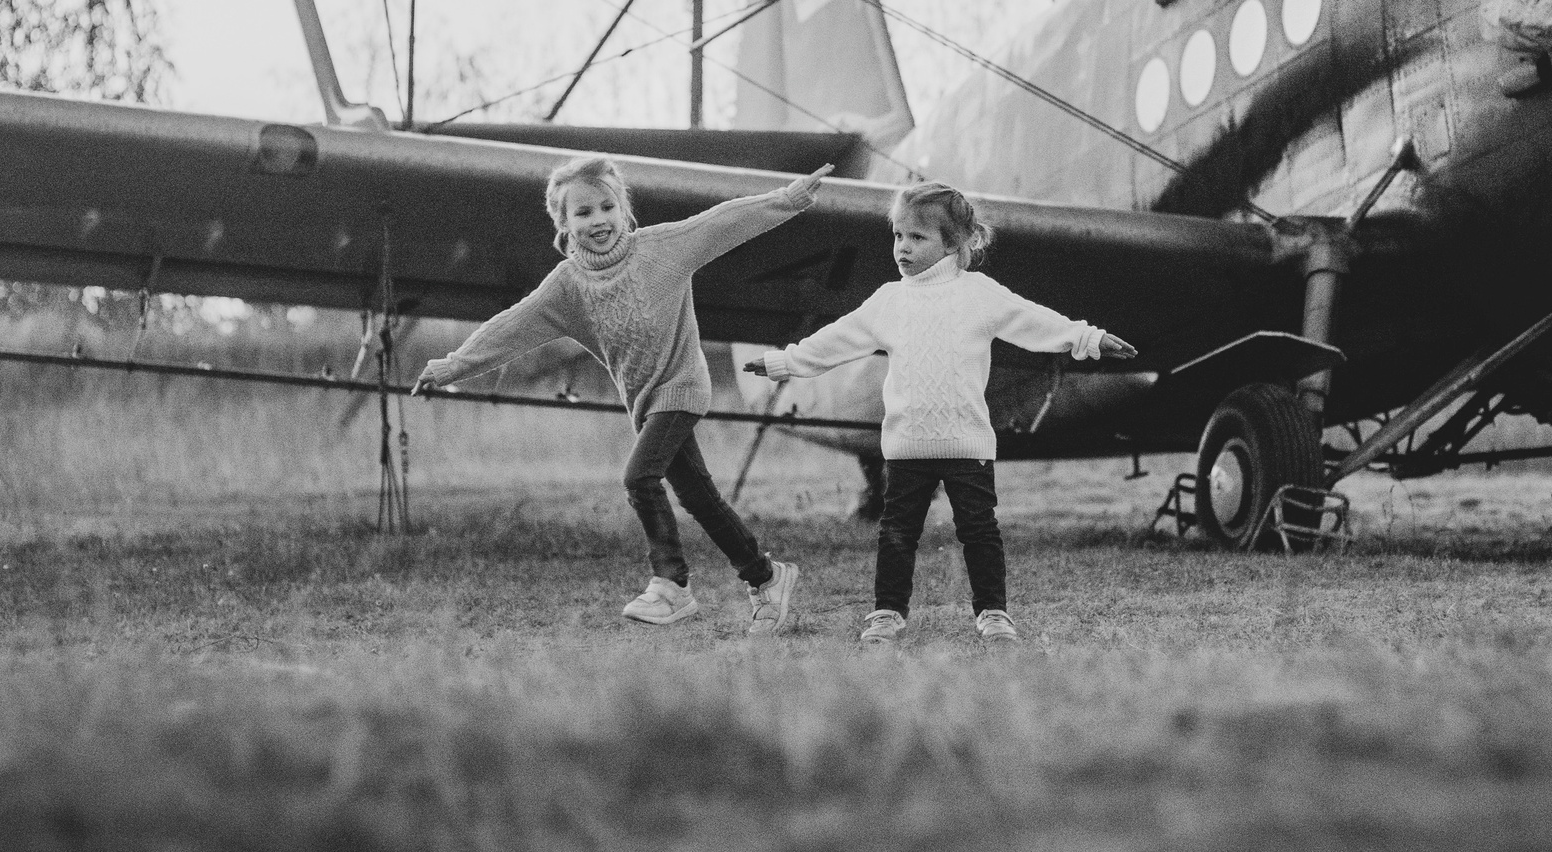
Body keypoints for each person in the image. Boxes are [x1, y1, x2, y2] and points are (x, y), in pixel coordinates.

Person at [418, 156, 829, 636]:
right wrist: (452, 365)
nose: (598, 220)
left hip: (682, 386)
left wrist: (787, 199)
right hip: (646, 401)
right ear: (564, 223)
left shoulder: (662, 249)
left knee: (639, 476)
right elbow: (513, 327)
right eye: (583, 212)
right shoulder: (568, 286)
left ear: (623, 208)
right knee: (699, 497)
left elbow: (723, 222)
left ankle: (671, 585)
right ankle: (767, 576)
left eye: (606, 206)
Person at [746, 180, 1132, 645]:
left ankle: (992, 613)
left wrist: (1088, 339)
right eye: (897, 236)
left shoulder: (980, 294)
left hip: (967, 442)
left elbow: (1037, 320)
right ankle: (887, 614)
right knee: (897, 535)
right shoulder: (889, 300)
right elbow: (835, 340)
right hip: (907, 445)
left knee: (980, 533)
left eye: (917, 238)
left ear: (953, 243)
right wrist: (782, 362)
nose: (902, 248)